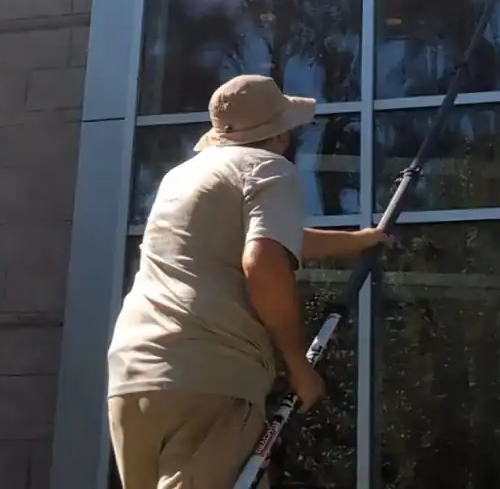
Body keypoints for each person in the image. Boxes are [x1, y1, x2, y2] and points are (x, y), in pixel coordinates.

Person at [106, 74, 390, 488]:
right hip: (212, 372)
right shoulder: (268, 168)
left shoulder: (183, 177)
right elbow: (263, 260)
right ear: (278, 134)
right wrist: (297, 365)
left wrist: (357, 242)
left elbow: (270, 237)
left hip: (134, 376)